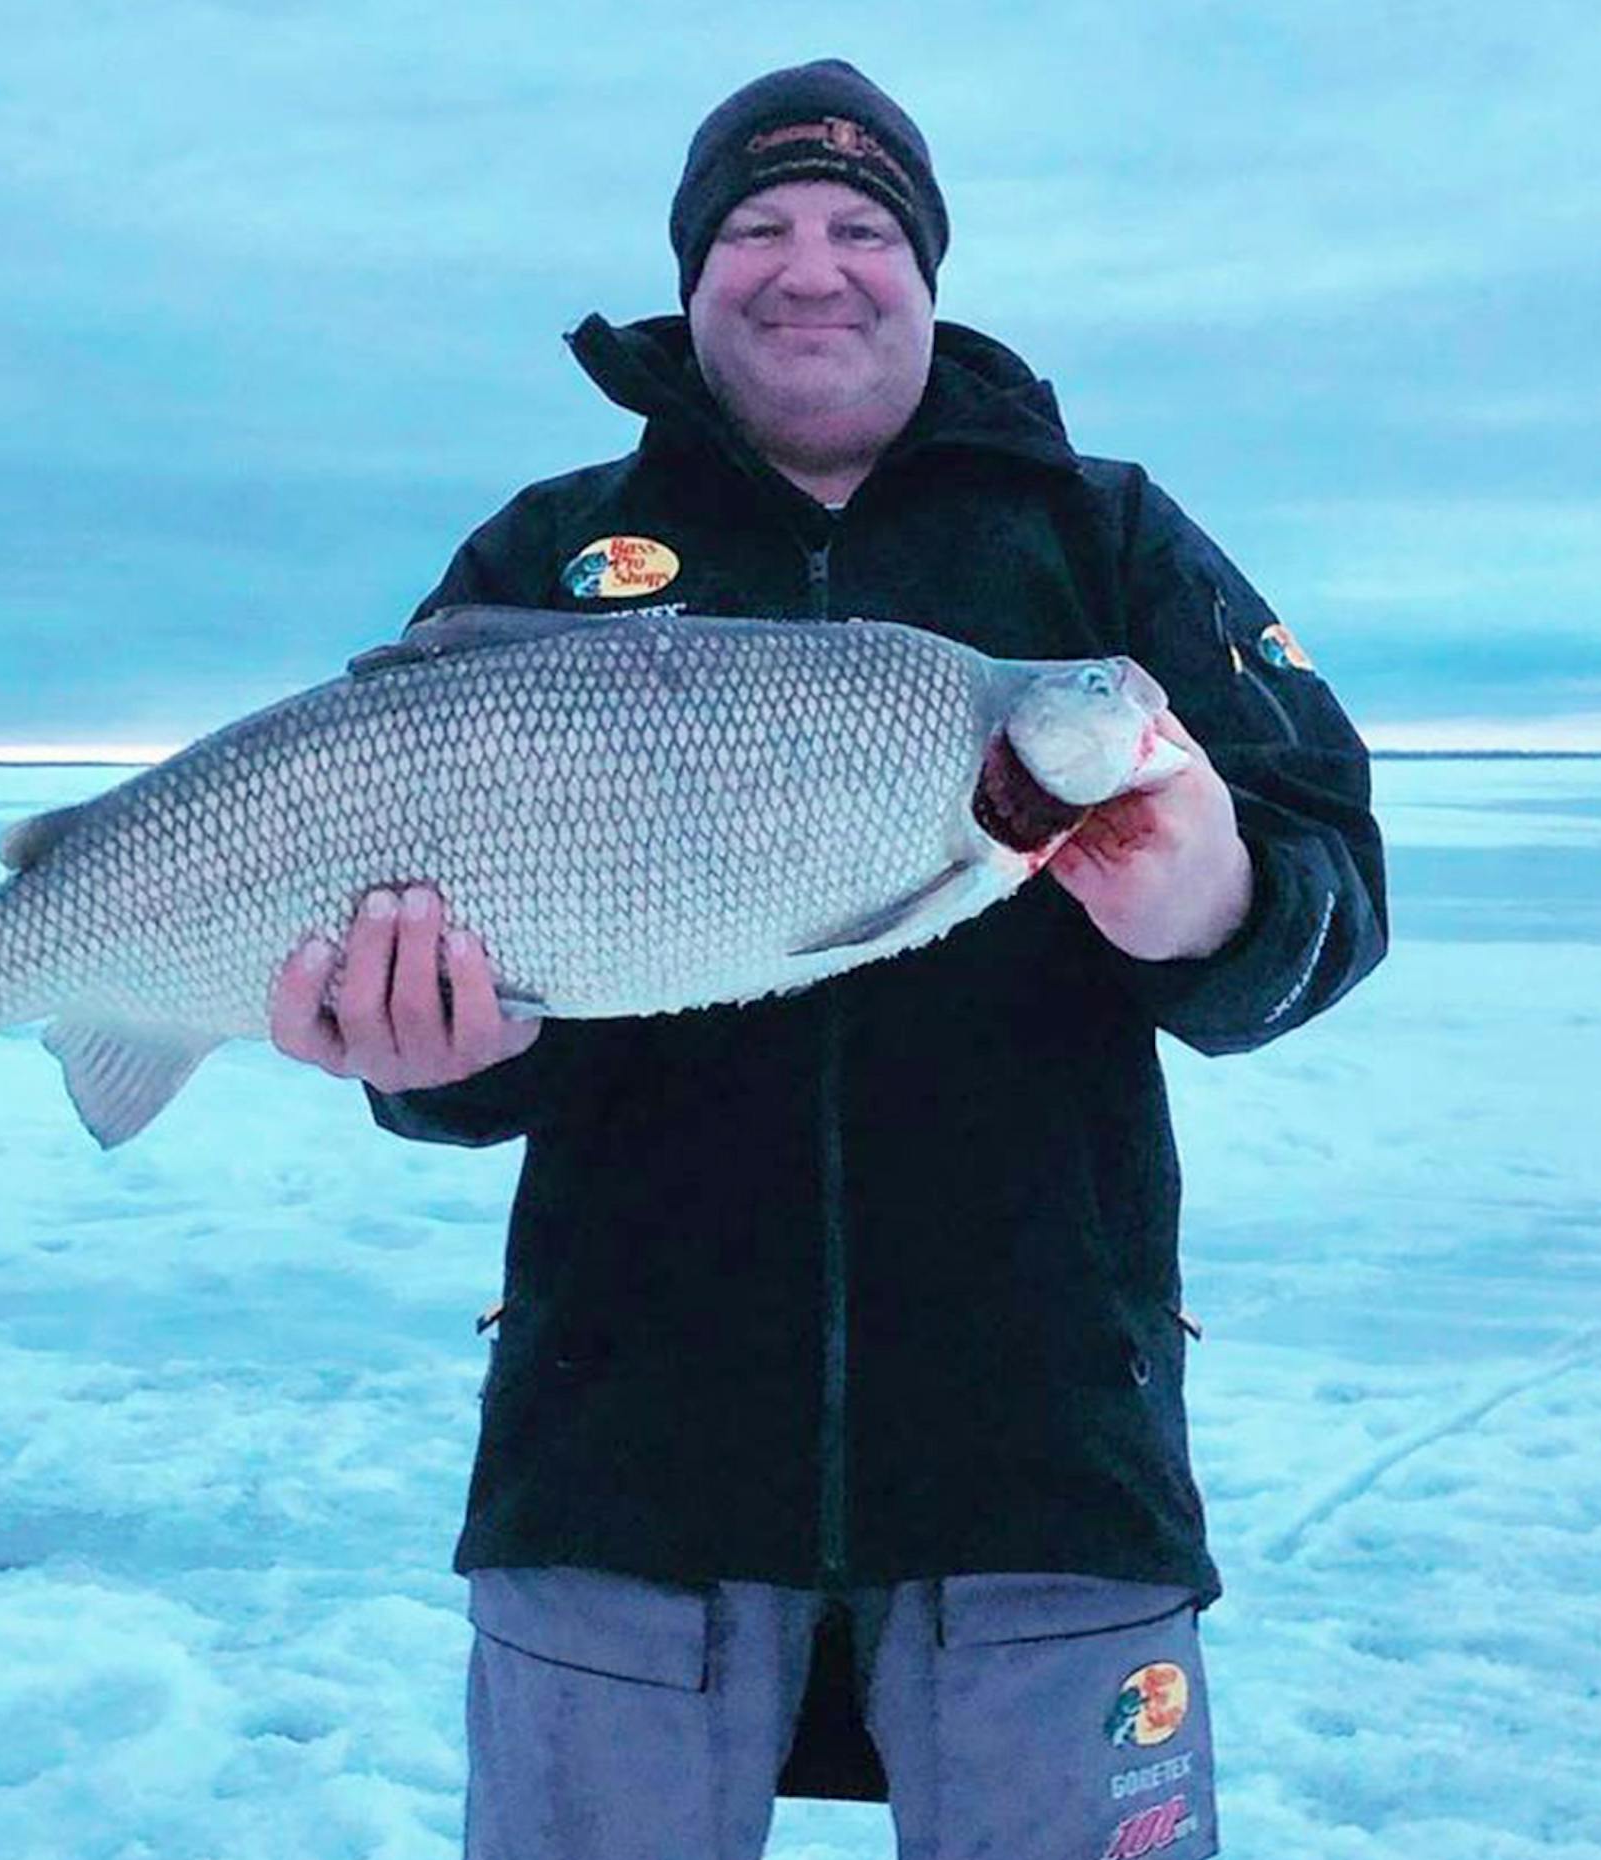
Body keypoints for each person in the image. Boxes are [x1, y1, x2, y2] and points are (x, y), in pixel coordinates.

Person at [269, 58, 1386, 1860]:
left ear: (928, 274)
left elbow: (1332, 885)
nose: (812, 265)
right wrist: (426, 1050)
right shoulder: (548, 555)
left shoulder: (1103, 539)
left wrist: (1214, 912)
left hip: (1047, 1456)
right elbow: (474, 1081)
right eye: (758, 229)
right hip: (622, 1458)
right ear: (692, 279)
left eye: (863, 227)